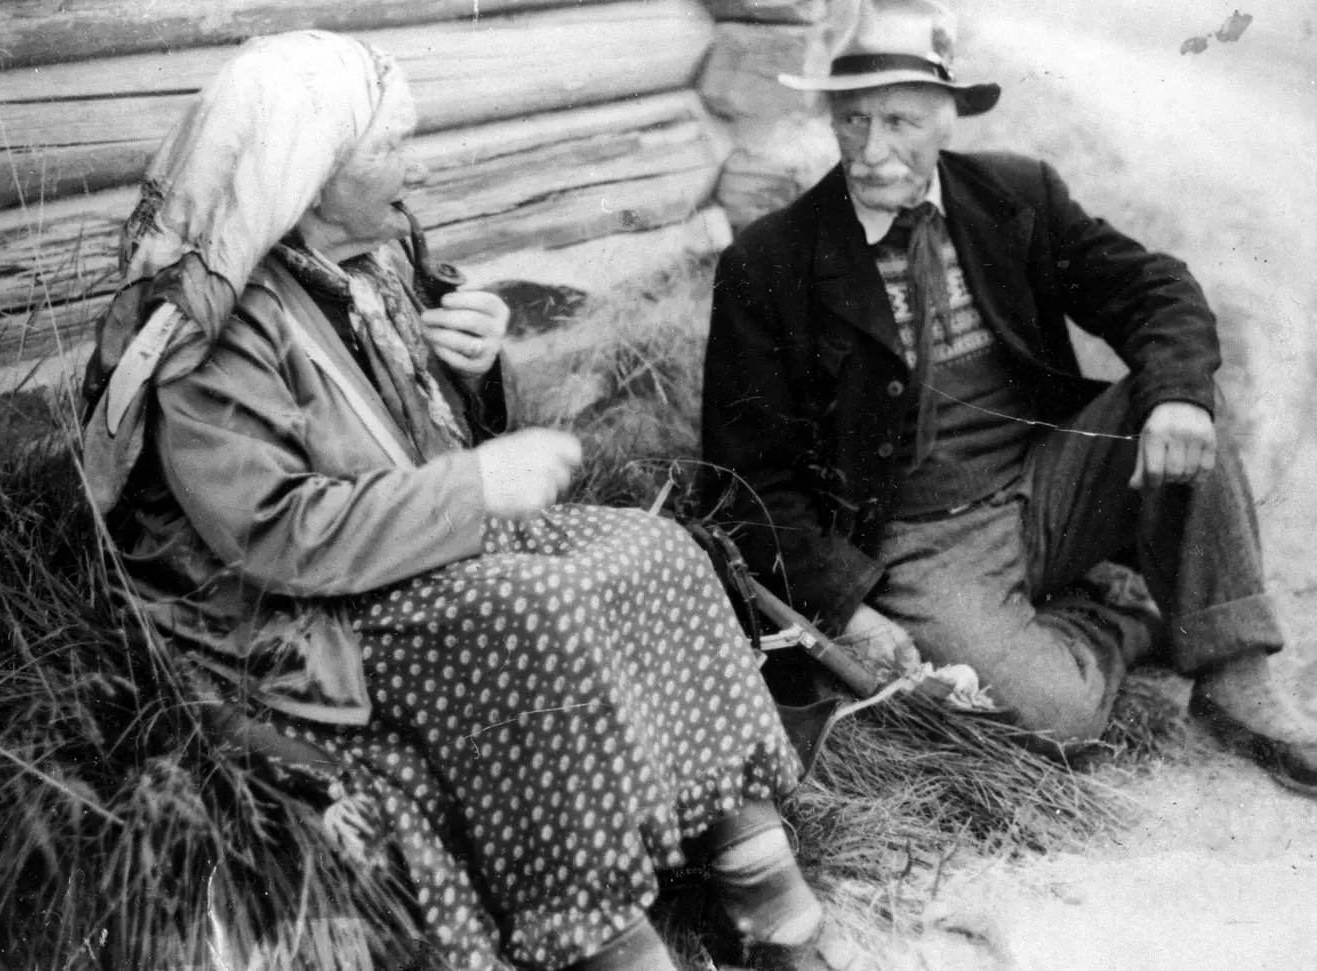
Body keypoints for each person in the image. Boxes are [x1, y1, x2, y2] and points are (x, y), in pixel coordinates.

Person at [80, 30, 858, 971]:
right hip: (296, 611)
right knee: (537, 613)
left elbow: (418, 434)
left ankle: (761, 889)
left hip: (405, 547)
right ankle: (601, 939)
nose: (413, 164)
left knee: (663, 556)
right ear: (311, 171)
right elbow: (269, 533)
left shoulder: (374, 255)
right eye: (389, 148)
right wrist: (477, 485)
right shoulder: (215, 332)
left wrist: (479, 370)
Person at [701, 0, 1317, 792]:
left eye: (900, 122)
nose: (873, 151)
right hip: (920, 539)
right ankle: (1123, 607)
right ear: (829, 118)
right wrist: (846, 607)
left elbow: (1155, 291)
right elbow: (747, 479)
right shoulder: (769, 261)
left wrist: (1178, 399)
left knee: (1176, 399)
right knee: (1052, 718)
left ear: (948, 118)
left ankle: (1235, 676)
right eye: (853, 121)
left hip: (1048, 480)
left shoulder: (1011, 197)